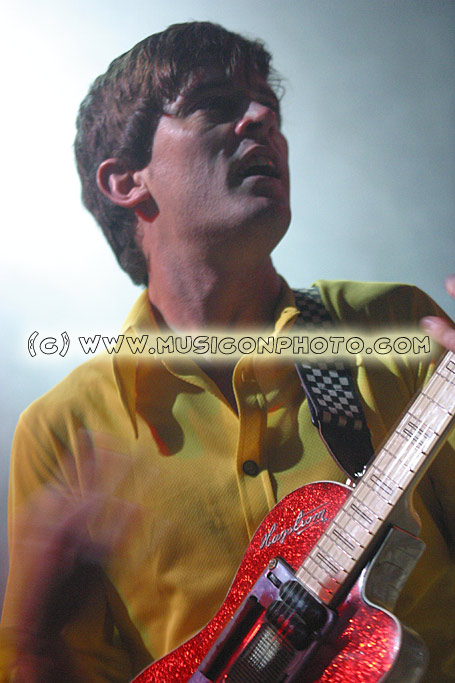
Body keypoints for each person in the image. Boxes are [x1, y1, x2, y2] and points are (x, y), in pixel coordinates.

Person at [1, 21, 454, 683]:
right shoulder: (63, 429)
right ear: (126, 181)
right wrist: (32, 646)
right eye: (214, 104)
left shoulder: (393, 323)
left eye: (269, 106)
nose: (263, 118)